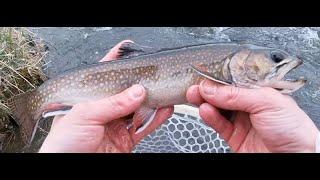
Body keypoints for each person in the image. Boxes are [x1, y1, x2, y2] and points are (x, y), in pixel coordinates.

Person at [39, 40, 320, 153]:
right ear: (239, 60)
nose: (281, 63)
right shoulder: (220, 63)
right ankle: (36, 101)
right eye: (275, 59)